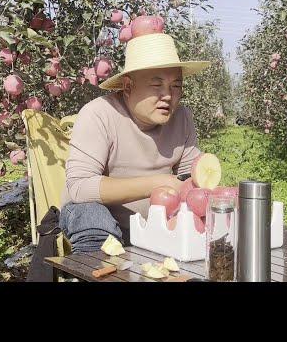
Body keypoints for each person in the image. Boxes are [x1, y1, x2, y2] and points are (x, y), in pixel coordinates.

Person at [59, 31, 211, 252]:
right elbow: (79, 188)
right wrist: (158, 183)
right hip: (100, 221)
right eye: (156, 85)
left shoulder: (181, 118)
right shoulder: (100, 114)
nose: (168, 96)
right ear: (128, 87)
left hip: (153, 225)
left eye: (175, 86)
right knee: (90, 216)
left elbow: (189, 181)